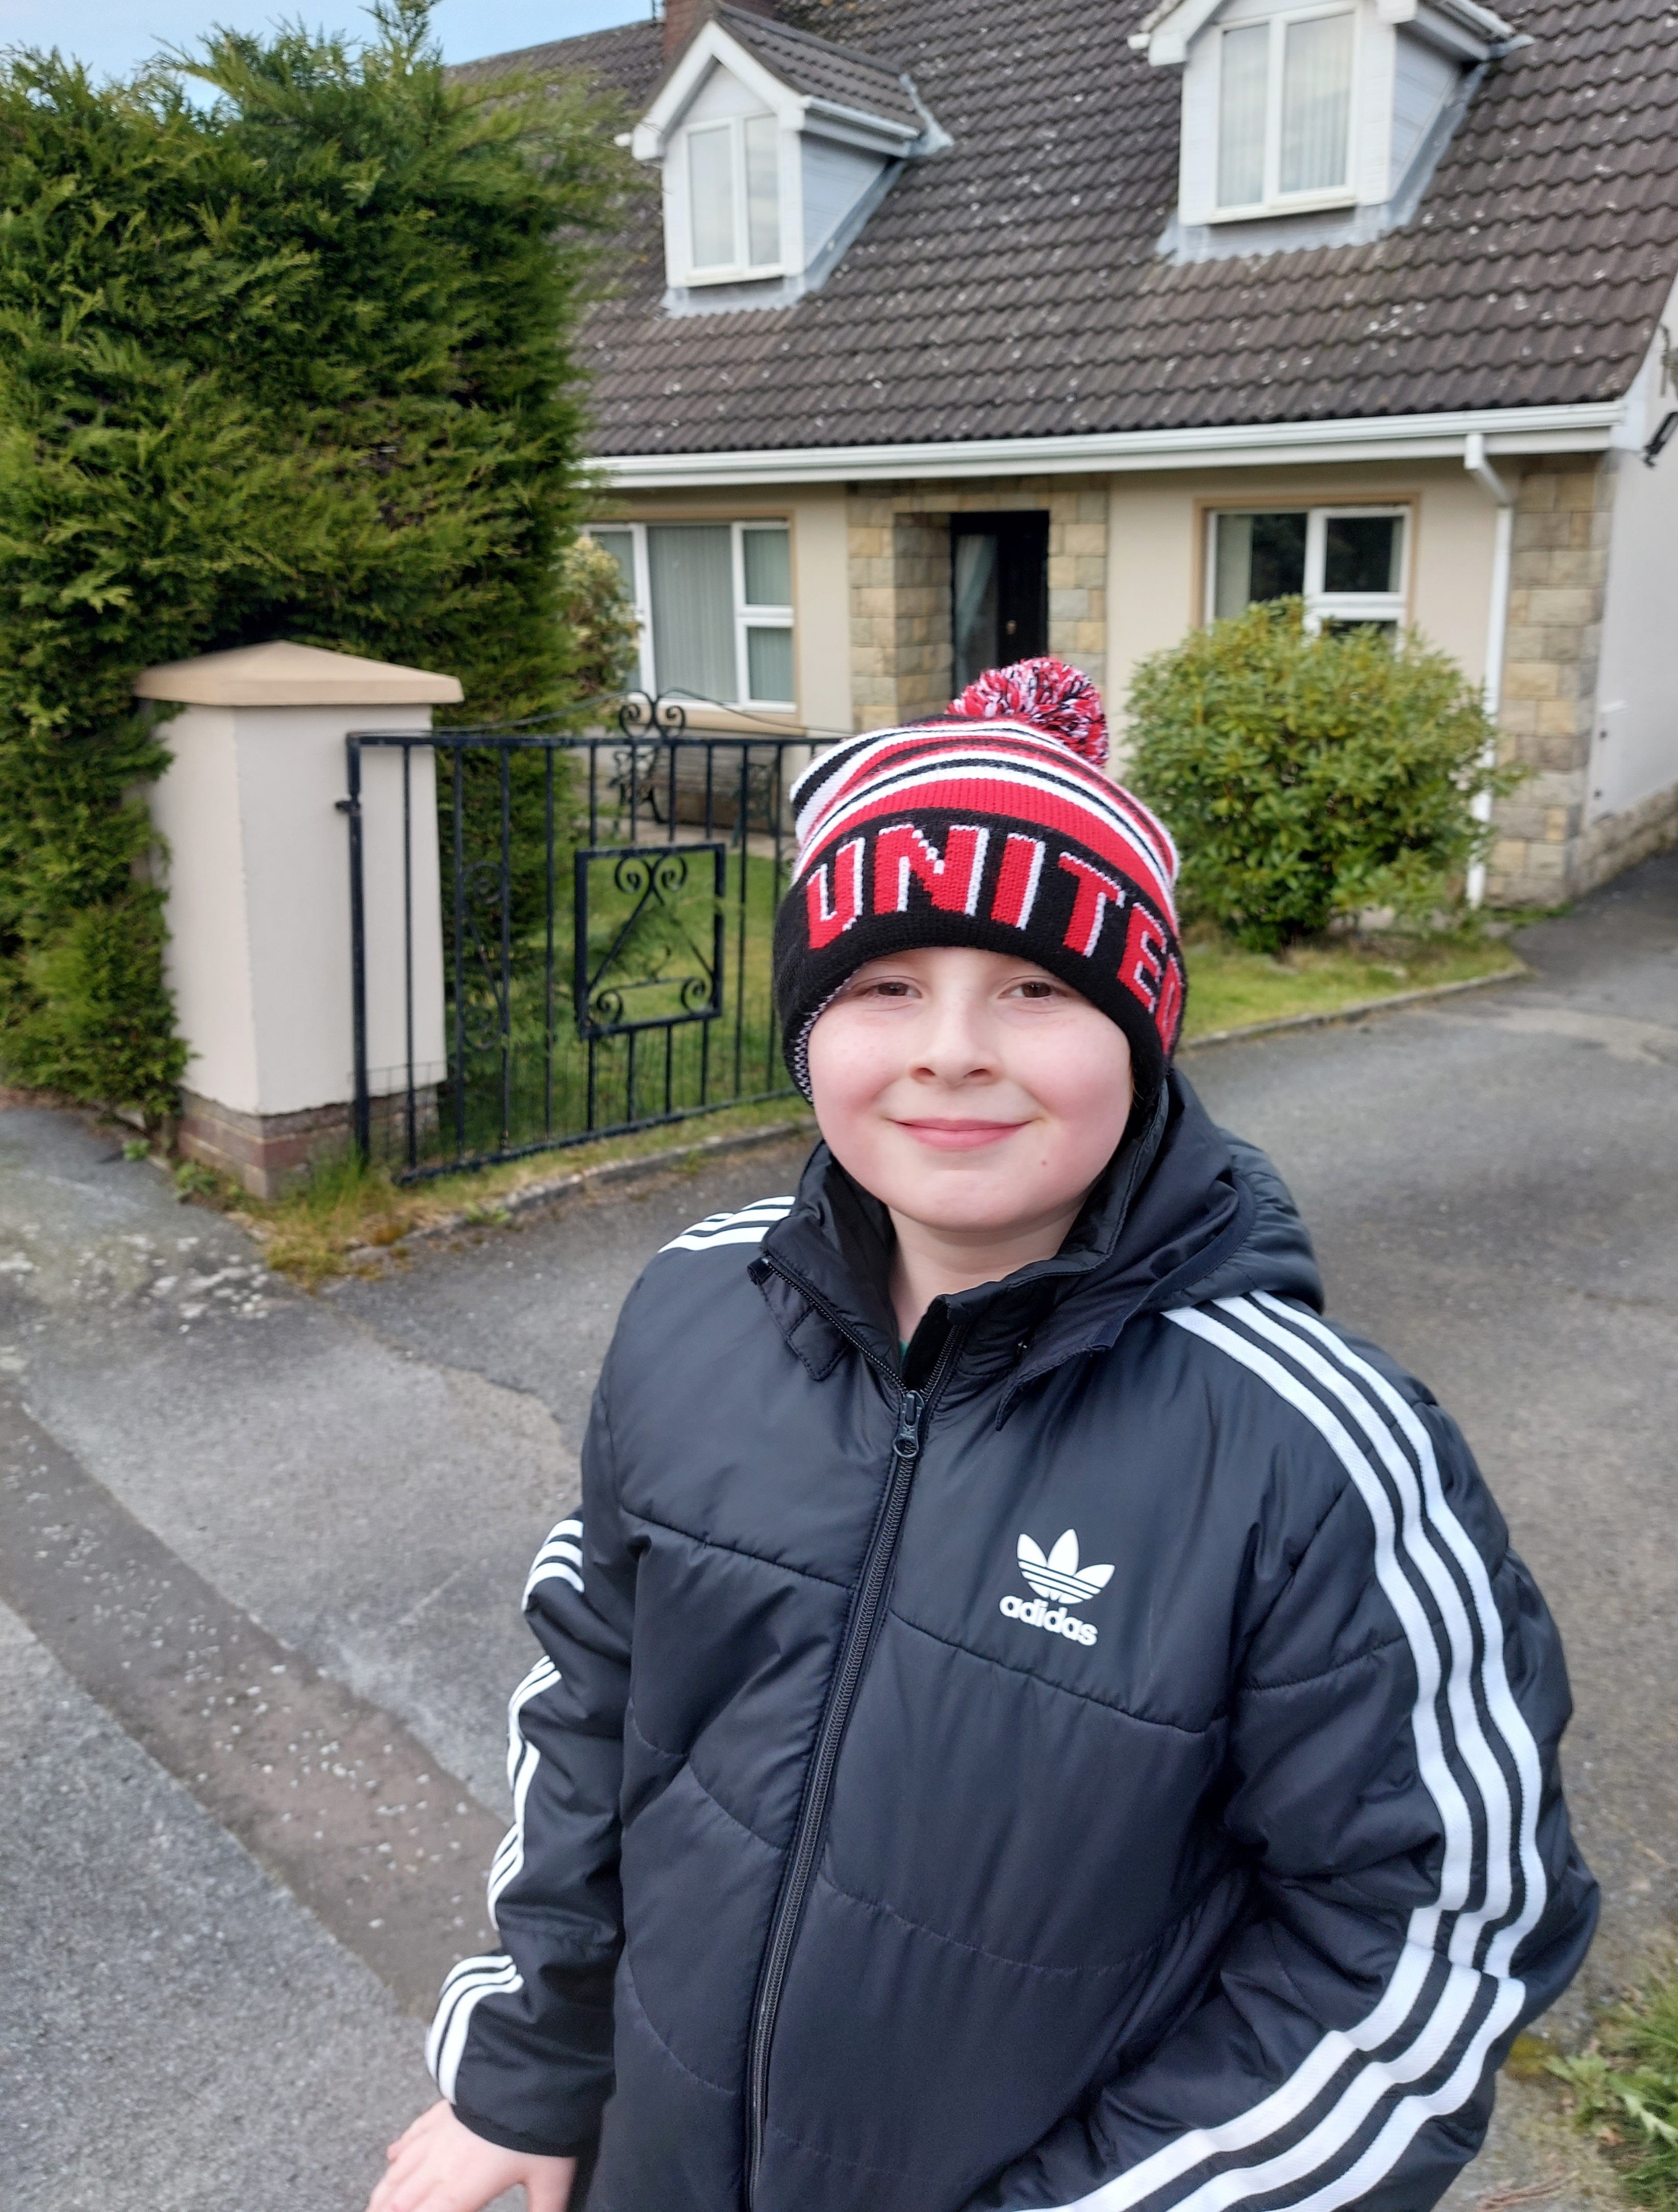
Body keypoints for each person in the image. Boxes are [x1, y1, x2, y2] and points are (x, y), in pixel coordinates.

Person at [370, 660, 1598, 2212]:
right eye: (884, 986)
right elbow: (596, 1700)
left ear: (1141, 1031)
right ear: (807, 1026)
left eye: (1036, 988)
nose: (951, 1048)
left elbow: (1439, 1930)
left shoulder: (1310, 1454)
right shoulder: (692, 1309)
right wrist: (530, 2073)